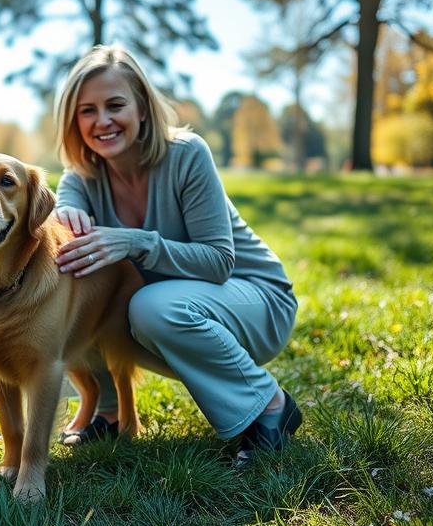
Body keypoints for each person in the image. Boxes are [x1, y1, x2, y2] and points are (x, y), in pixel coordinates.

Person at [52, 44, 300, 462]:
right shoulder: (80, 178)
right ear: (74, 122)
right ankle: (110, 414)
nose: (103, 121)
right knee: (74, 280)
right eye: (87, 111)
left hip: (255, 301)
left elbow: (219, 262)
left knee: (150, 306)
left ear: (143, 108)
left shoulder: (186, 155)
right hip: (176, 314)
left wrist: (135, 240)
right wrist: (65, 215)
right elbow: (66, 220)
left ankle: (270, 404)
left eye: (116, 105)